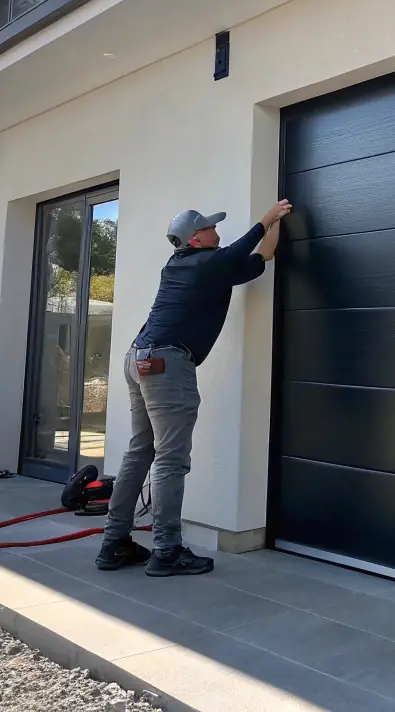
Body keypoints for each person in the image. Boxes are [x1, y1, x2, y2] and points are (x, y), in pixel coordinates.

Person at [97, 199, 292, 577]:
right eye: (211, 227)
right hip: (166, 365)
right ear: (196, 238)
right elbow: (239, 250)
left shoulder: (193, 267)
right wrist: (265, 218)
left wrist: (278, 221)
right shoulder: (204, 263)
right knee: (170, 459)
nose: (218, 231)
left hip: (140, 359)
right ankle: (167, 550)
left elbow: (262, 256)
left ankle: (114, 543)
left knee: (141, 451)